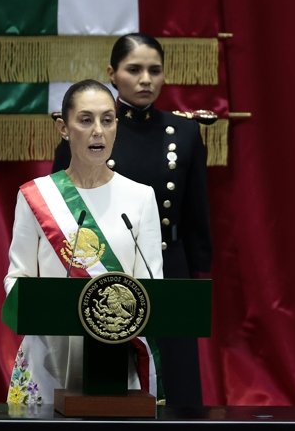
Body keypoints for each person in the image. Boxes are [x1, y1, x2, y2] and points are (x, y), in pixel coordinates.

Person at [53, 33, 212, 405]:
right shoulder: (91, 130)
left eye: (155, 70)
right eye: (134, 69)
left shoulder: (184, 133)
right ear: (112, 73)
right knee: (106, 379)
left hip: (167, 265)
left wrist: (198, 268)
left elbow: (195, 213)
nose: (146, 80)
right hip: (104, 266)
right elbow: (63, 202)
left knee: (175, 380)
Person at [5, 80, 164, 406]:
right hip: (50, 354)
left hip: (118, 358)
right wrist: (46, 310)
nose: (98, 131)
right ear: (64, 127)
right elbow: (17, 277)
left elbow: (151, 284)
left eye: (107, 120)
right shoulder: (35, 196)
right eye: (86, 119)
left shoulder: (141, 197)